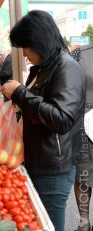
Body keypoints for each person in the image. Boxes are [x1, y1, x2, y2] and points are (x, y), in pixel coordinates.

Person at [0, 10, 86, 231]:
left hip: (53, 168)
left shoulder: (67, 68)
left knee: (49, 224)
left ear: (39, 41)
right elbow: (39, 107)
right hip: (39, 160)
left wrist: (20, 93)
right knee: (39, 221)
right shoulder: (44, 68)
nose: (25, 54)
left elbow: (61, 119)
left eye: (26, 47)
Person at [70, 45, 93, 231]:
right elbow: (69, 84)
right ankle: (84, 223)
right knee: (83, 174)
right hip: (84, 124)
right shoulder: (79, 54)